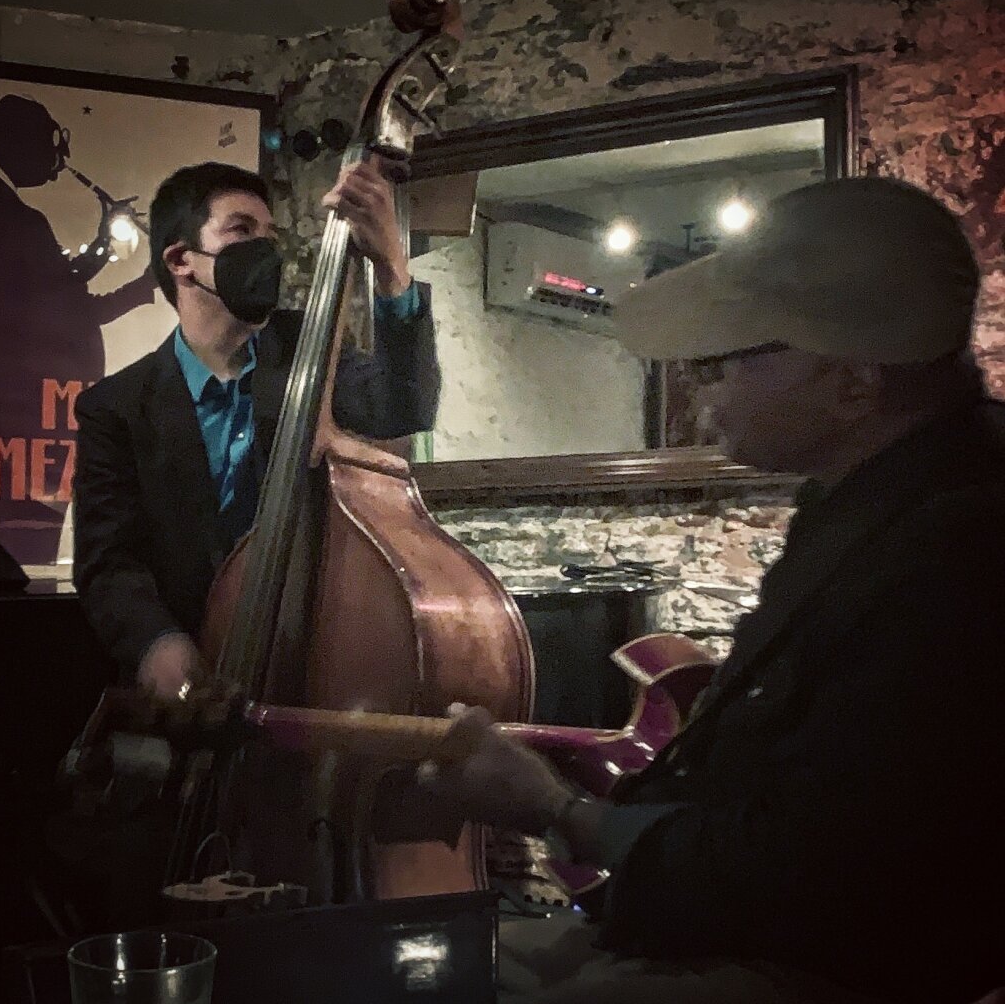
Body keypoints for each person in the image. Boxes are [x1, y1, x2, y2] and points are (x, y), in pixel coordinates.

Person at [420, 177, 1005, 1004]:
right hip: (742, 933)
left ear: (854, 384)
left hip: (835, 969)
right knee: (417, 961)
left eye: (724, 361)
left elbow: (814, 875)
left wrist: (554, 807)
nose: (699, 389)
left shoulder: (958, 550)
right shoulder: (872, 499)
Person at [72, 158, 440, 698]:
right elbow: (109, 563)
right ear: (181, 260)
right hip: (193, 681)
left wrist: (390, 268)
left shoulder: (307, 349)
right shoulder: (114, 408)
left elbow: (403, 405)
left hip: (310, 659)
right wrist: (158, 645)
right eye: (241, 231)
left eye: (270, 234)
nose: (265, 250)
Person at [0, 94, 153, 565]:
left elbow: (54, 285)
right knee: (27, 566)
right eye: (49, 147)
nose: (57, 163)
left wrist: (105, 241)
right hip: (29, 429)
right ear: (19, 142)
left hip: (27, 424)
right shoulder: (15, 216)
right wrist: (145, 285)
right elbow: (74, 307)